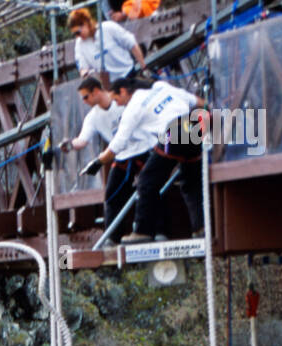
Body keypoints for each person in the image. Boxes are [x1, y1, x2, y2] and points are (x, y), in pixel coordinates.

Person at [85, 72, 204, 241]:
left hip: (173, 132)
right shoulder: (161, 87)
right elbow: (196, 101)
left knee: (147, 181)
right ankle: (200, 228)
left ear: (124, 91)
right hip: (192, 127)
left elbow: (118, 143)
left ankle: (143, 231)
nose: (116, 104)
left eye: (116, 99)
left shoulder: (133, 106)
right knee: (190, 183)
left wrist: (98, 162)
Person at [61, 74, 134, 239]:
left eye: (86, 97)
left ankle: (155, 230)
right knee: (111, 195)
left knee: (148, 186)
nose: (84, 101)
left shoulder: (119, 101)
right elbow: (83, 140)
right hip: (121, 155)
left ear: (95, 92)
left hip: (141, 149)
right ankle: (113, 238)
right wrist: (70, 144)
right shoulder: (92, 117)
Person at [69, 7, 146, 81]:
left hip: (127, 73)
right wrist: (86, 75)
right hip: (109, 84)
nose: (77, 36)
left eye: (78, 32)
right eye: (74, 34)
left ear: (85, 23)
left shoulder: (108, 27)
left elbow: (131, 43)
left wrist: (143, 67)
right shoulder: (79, 44)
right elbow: (83, 67)